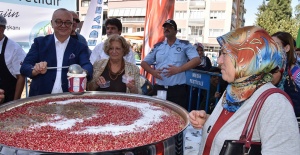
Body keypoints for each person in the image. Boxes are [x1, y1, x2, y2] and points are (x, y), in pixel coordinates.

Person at [189, 26, 300, 155]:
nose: (219, 61)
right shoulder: (234, 90)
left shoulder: (275, 104)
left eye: (225, 54)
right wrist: (208, 121)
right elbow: (235, 127)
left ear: (246, 57)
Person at [20, 8, 93, 97]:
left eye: (67, 22)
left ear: (72, 24)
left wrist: (82, 72)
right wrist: (35, 70)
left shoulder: (80, 46)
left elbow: (87, 65)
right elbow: (24, 67)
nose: (63, 25)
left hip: (69, 98)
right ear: (52, 23)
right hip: (41, 97)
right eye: (58, 21)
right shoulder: (39, 43)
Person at [141, 19, 201, 110]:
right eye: (165, 27)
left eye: (170, 27)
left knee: (177, 117)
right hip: (160, 88)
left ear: (176, 31)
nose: (167, 29)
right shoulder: (158, 46)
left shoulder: (185, 45)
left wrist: (179, 69)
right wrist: (152, 72)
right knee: (157, 114)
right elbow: (144, 63)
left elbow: (197, 60)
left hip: (177, 90)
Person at [271, 32, 300, 117]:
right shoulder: (271, 67)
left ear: (287, 48)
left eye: (276, 45)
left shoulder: (296, 73)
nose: (272, 49)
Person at [0, 15, 26, 103]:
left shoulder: (14, 48)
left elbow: (21, 77)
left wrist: (15, 102)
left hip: (8, 97)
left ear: (2, 29)